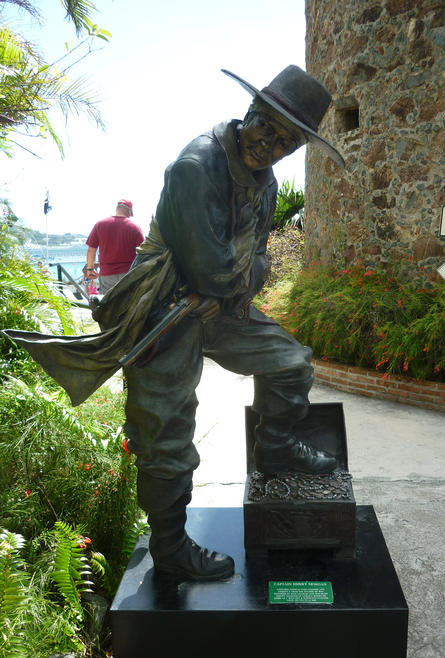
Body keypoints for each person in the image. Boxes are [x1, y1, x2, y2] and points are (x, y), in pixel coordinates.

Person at [3, 66, 344, 583]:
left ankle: (274, 449)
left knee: (291, 363)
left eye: (287, 141)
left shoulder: (264, 179)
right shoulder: (197, 165)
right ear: (249, 115)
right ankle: (170, 547)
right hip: (164, 310)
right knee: (165, 433)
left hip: (217, 308)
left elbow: (254, 262)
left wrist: (232, 281)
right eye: (267, 128)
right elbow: (213, 266)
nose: (271, 145)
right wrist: (227, 278)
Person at [84, 199, 144, 294]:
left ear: (117, 209)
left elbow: (91, 250)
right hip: (128, 273)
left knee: (108, 304)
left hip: (107, 274)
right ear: (129, 211)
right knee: (128, 303)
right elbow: (144, 251)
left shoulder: (100, 224)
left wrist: (90, 269)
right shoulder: (134, 227)